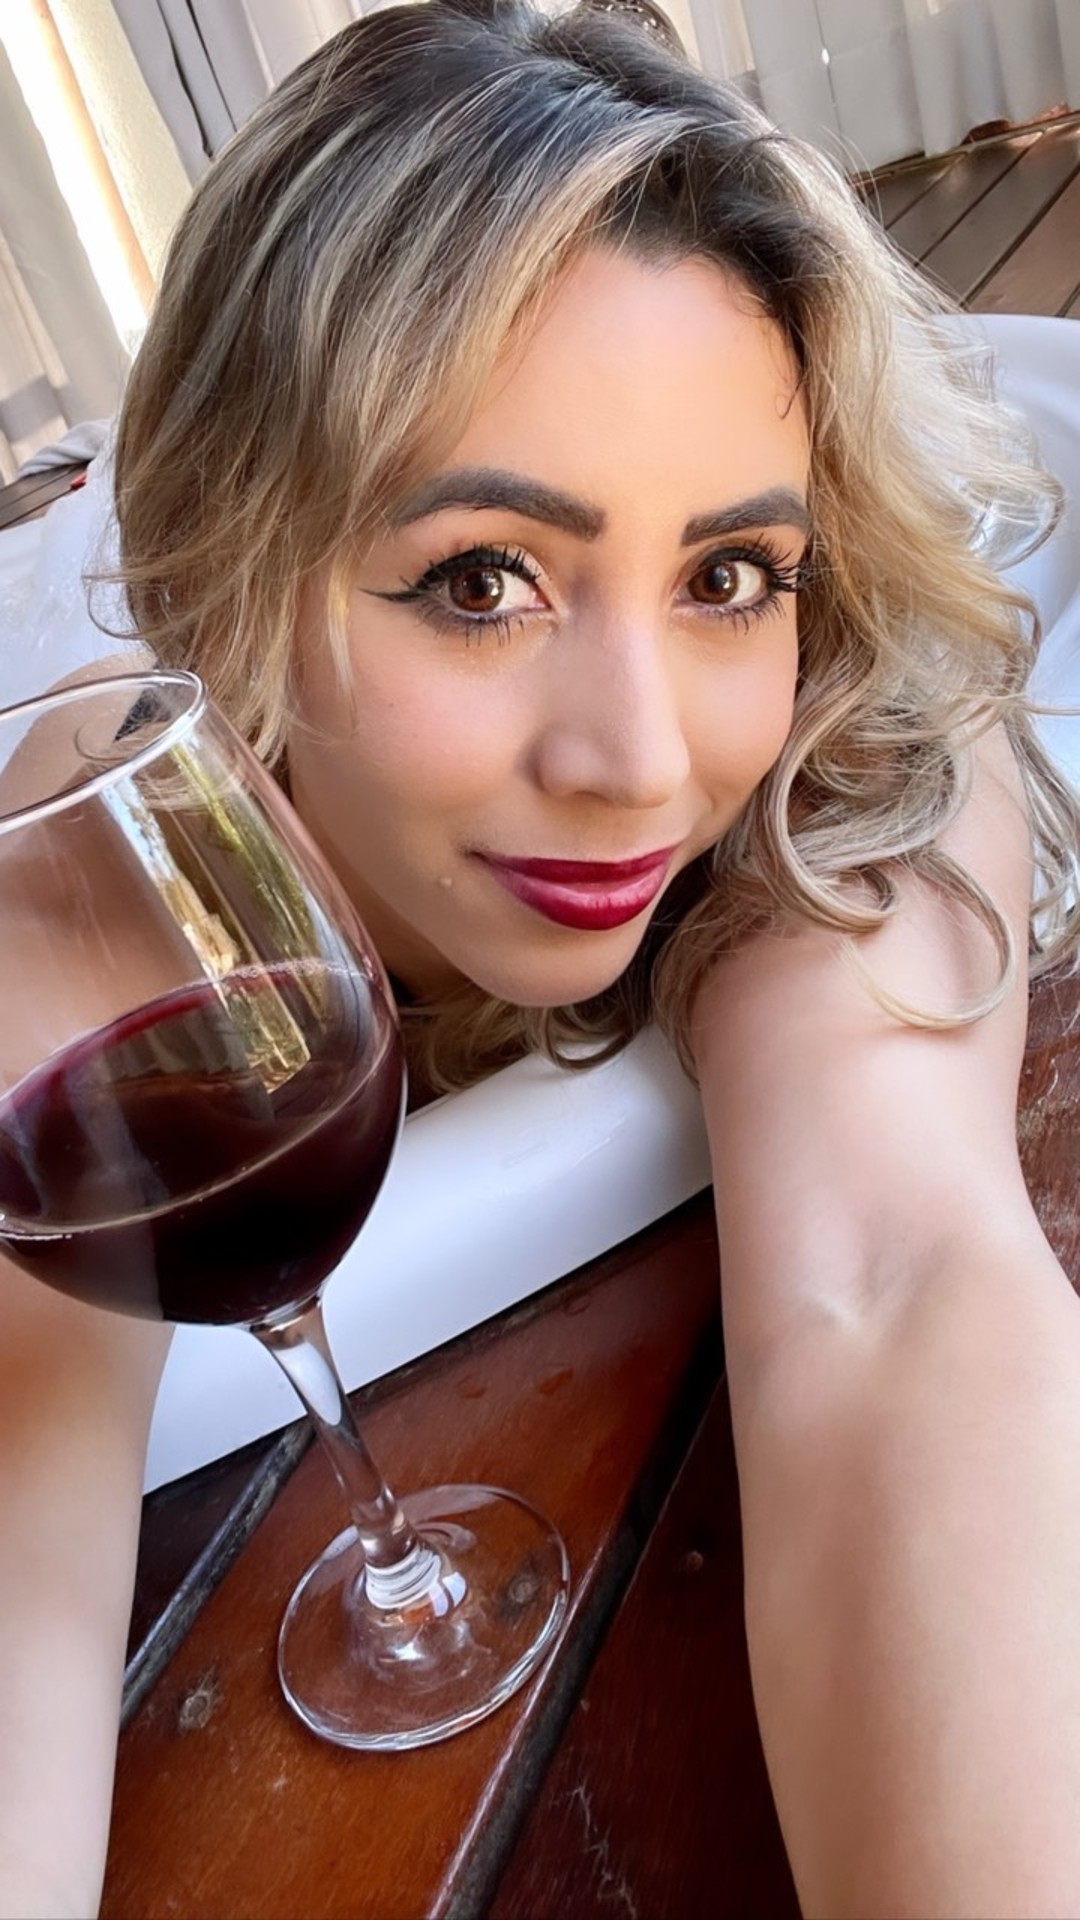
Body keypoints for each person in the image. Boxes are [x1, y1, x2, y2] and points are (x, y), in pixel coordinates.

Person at [2, 1, 1080, 1912]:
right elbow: (20, 1468)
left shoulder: (849, 724)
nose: (643, 761)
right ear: (234, 567)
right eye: (480, 580)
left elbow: (895, 1289)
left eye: (728, 574)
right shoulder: (124, 816)